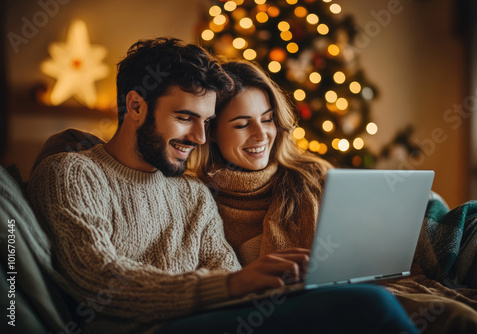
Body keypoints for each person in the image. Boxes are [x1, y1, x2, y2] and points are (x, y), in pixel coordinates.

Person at [28, 38, 420, 334]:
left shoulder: (193, 193)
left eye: (206, 121)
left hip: (215, 321)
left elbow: (228, 274)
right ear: (134, 106)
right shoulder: (73, 173)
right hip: (149, 328)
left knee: (367, 302)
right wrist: (230, 285)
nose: (200, 137)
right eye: (185, 117)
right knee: (366, 307)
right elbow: (98, 278)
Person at [193, 60, 477, 334]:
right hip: (305, 311)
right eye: (243, 124)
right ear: (213, 132)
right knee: (459, 320)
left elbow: (365, 240)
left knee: (472, 315)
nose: (261, 135)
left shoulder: (310, 174)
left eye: (268, 118)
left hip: (372, 289)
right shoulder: (198, 200)